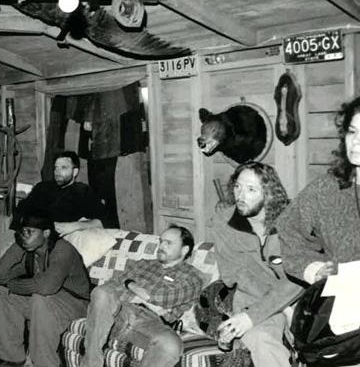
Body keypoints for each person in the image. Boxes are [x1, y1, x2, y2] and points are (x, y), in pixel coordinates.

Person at [0, 150, 109, 340]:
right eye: (56, 168)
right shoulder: (43, 187)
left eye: (63, 168)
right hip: (17, 232)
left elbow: (103, 222)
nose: (58, 172)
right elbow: (21, 209)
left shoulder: (82, 192)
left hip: (39, 238)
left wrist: (75, 225)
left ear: (75, 171)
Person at [211, 162, 302, 367]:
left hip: (302, 297)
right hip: (252, 300)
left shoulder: (293, 220)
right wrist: (266, 311)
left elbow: (301, 275)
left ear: (269, 194)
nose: (240, 195)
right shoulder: (224, 221)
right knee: (261, 340)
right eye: (237, 186)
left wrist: (287, 304)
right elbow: (232, 275)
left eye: (251, 189)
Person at [80, 226, 203, 367]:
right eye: (161, 241)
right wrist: (139, 296)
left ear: (184, 250)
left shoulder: (193, 277)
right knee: (102, 293)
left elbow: (162, 298)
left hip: (152, 322)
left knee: (171, 344)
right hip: (119, 312)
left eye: (168, 243)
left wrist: (129, 285)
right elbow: (110, 285)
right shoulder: (143, 263)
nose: (161, 246)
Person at [0, 212, 89, 366]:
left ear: (46, 233)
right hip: (49, 299)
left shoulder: (63, 249)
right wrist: (16, 249)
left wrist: (11, 284)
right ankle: (11, 356)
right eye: (22, 232)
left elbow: (46, 287)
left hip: (76, 304)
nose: (24, 236)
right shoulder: (28, 249)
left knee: (39, 298)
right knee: (4, 293)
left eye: (30, 232)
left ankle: (44, 363)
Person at [278, 96, 360, 284]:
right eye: (352, 132)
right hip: (345, 301)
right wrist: (313, 269)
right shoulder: (327, 189)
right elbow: (289, 228)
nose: (356, 141)